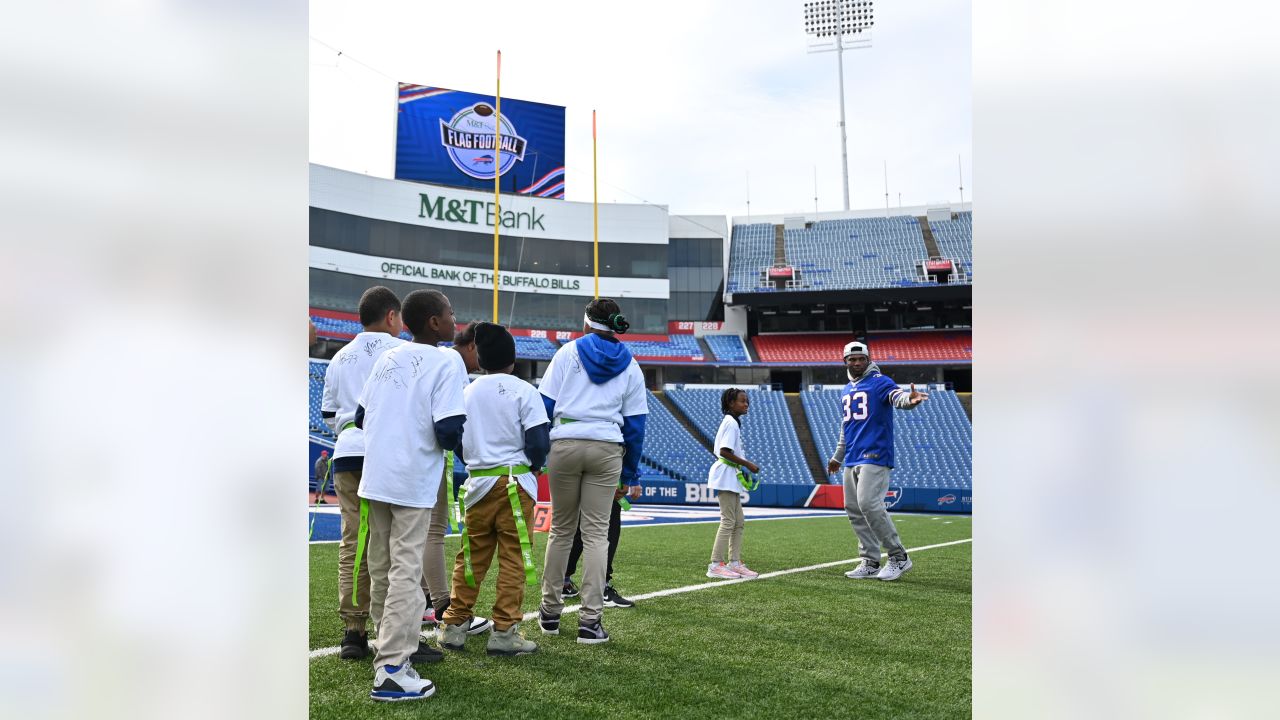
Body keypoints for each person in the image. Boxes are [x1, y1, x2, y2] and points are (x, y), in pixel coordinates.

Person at [356, 289, 467, 702]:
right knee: (405, 568)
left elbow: (361, 415)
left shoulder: (387, 356)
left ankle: (385, 651)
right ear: (434, 323)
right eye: (450, 313)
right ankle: (392, 668)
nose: (455, 320)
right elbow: (449, 430)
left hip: (377, 473)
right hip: (412, 477)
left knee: (381, 565)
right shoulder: (447, 360)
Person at [537, 298, 647, 644]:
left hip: (565, 442)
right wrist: (629, 474)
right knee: (597, 534)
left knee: (561, 531)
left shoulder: (566, 353)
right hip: (607, 448)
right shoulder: (631, 364)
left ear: (586, 323)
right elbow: (635, 426)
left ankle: (550, 613)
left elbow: (545, 407)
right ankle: (589, 621)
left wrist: (539, 453)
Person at [439, 322, 549, 656]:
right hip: (515, 483)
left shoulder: (466, 391)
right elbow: (539, 442)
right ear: (513, 361)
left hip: (477, 484)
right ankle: (503, 632)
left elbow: (455, 438)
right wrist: (534, 464)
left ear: (480, 357)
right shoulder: (525, 391)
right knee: (514, 558)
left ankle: (454, 626)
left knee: (471, 557)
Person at [318, 287, 406, 660]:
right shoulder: (399, 354)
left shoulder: (339, 357)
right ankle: (392, 628)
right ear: (390, 316)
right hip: (385, 451)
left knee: (352, 541)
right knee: (391, 542)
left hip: (348, 453)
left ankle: (354, 630)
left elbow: (326, 416)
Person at [825, 341, 927, 582]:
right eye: (853, 359)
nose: (857, 363)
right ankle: (870, 560)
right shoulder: (846, 390)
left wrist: (909, 401)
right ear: (845, 362)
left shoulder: (880, 381)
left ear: (868, 360)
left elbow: (897, 397)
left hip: (875, 454)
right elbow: (845, 427)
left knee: (869, 504)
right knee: (853, 509)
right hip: (852, 457)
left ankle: (898, 556)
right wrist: (837, 456)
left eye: (862, 359)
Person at [420, 322, 491, 636]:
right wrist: (472, 457)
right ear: (473, 346)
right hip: (428, 451)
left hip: (410, 451)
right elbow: (453, 421)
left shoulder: (437, 358)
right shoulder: (452, 363)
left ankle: (423, 599)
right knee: (434, 529)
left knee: (420, 531)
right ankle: (442, 607)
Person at [705, 388, 761, 579]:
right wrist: (748, 464)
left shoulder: (733, 422)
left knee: (739, 521)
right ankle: (715, 564)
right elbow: (725, 451)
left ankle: (734, 562)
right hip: (725, 474)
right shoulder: (731, 423)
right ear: (730, 403)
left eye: (747, 401)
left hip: (730, 474)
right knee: (728, 520)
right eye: (742, 401)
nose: (746, 405)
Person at [562, 481, 640, 608]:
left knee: (578, 528)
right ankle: (600, 588)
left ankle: (562, 582)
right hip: (605, 474)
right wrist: (633, 479)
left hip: (576, 473)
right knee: (608, 529)